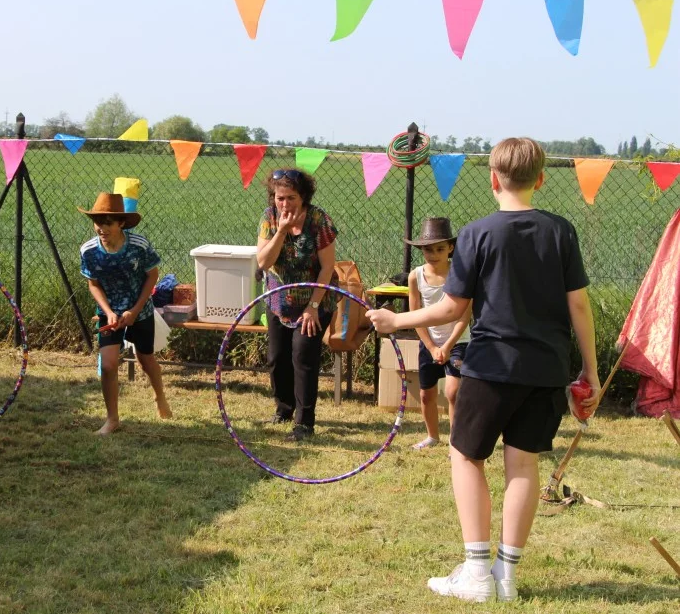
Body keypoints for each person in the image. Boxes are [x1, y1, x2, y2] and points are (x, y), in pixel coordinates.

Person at [367, 138, 599, 602]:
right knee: (523, 463)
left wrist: (398, 320)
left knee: (466, 456)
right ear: (541, 178)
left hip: (491, 366)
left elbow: (453, 307)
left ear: (493, 179)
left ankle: (477, 573)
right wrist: (589, 371)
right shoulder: (561, 230)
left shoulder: (477, 233)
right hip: (547, 369)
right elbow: (579, 304)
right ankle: (505, 576)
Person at [79, 192, 172, 435]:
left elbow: (152, 275)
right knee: (108, 365)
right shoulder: (88, 251)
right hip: (109, 314)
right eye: (98, 222)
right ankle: (112, 419)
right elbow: (93, 284)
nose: (101, 228)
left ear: (121, 223)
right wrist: (108, 312)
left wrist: (135, 310)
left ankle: (159, 396)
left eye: (107, 222)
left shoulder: (138, 245)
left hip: (140, 311)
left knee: (146, 360)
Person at [256, 168, 338, 442]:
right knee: (277, 357)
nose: (284, 204)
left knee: (303, 355)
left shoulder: (319, 221)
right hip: (279, 298)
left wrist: (313, 307)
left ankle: (305, 422)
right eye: (280, 198)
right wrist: (280, 230)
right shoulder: (269, 218)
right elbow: (263, 263)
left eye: (291, 198)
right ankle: (283, 409)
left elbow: (327, 268)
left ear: (303, 197)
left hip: (316, 297)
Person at [405, 217, 471, 450]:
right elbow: (415, 314)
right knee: (426, 394)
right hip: (429, 342)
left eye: (440, 249)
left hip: (458, 341)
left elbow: (465, 314)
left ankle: (456, 442)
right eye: (428, 249)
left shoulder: (461, 274)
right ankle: (433, 436)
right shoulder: (416, 276)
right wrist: (432, 346)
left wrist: (447, 345)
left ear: (451, 248)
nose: (434, 254)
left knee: (454, 392)